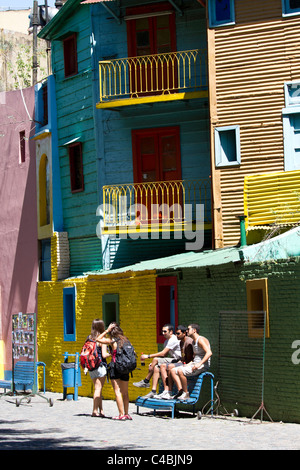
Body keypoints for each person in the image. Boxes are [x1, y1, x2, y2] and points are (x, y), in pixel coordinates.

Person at [133, 324, 181, 399]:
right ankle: (153, 391)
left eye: (165, 331)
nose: (163, 333)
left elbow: (163, 353)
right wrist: (153, 364)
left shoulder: (173, 339)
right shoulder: (166, 341)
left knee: (155, 359)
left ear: (171, 332)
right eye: (162, 331)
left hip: (178, 360)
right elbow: (163, 356)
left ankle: (146, 381)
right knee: (155, 367)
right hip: (172, 360)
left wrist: (148, 356)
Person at [97, 322, 132, 420]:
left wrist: (107, 330)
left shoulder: (113, 341)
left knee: (117, 391)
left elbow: (98, 339)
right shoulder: (126, 340)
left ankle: (121, 415)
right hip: (125, 368)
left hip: (115, 367)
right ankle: (126, 413)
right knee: (125, 392)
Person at [168, 323, 212, 401]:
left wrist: (199, 364)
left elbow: (209, 353)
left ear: (194, 330)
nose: (187, 331)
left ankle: (186, 393)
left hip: (202, 365)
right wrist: (189, 364)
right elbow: (195, 357)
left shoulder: (200, 340)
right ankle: (180, 391)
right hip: (194, 363)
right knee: (172, 370)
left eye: (188, 329)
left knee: (180, 370)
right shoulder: (193, 342)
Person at [155, 325, 194, 399]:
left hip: (189, 364)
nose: (176, 335)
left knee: (170, 367)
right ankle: (168, 392)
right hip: (183, 362)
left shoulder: (188, 342)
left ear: (184, 333)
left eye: (178, 333)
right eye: (176, 333)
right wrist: (181, 360)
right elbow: (184, 356)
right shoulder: (181, 342)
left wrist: (185, 362)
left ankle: (180, 391)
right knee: (164, 366)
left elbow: (191, 357)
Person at [88, 319, 110, 417]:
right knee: (98, 389)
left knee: (98, 389)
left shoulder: (89, 338)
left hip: (91, 367)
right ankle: (94, 411)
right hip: (100, 366)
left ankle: (101, 410)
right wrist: (112, 354)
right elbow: (104, 355)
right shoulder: (102, 339)